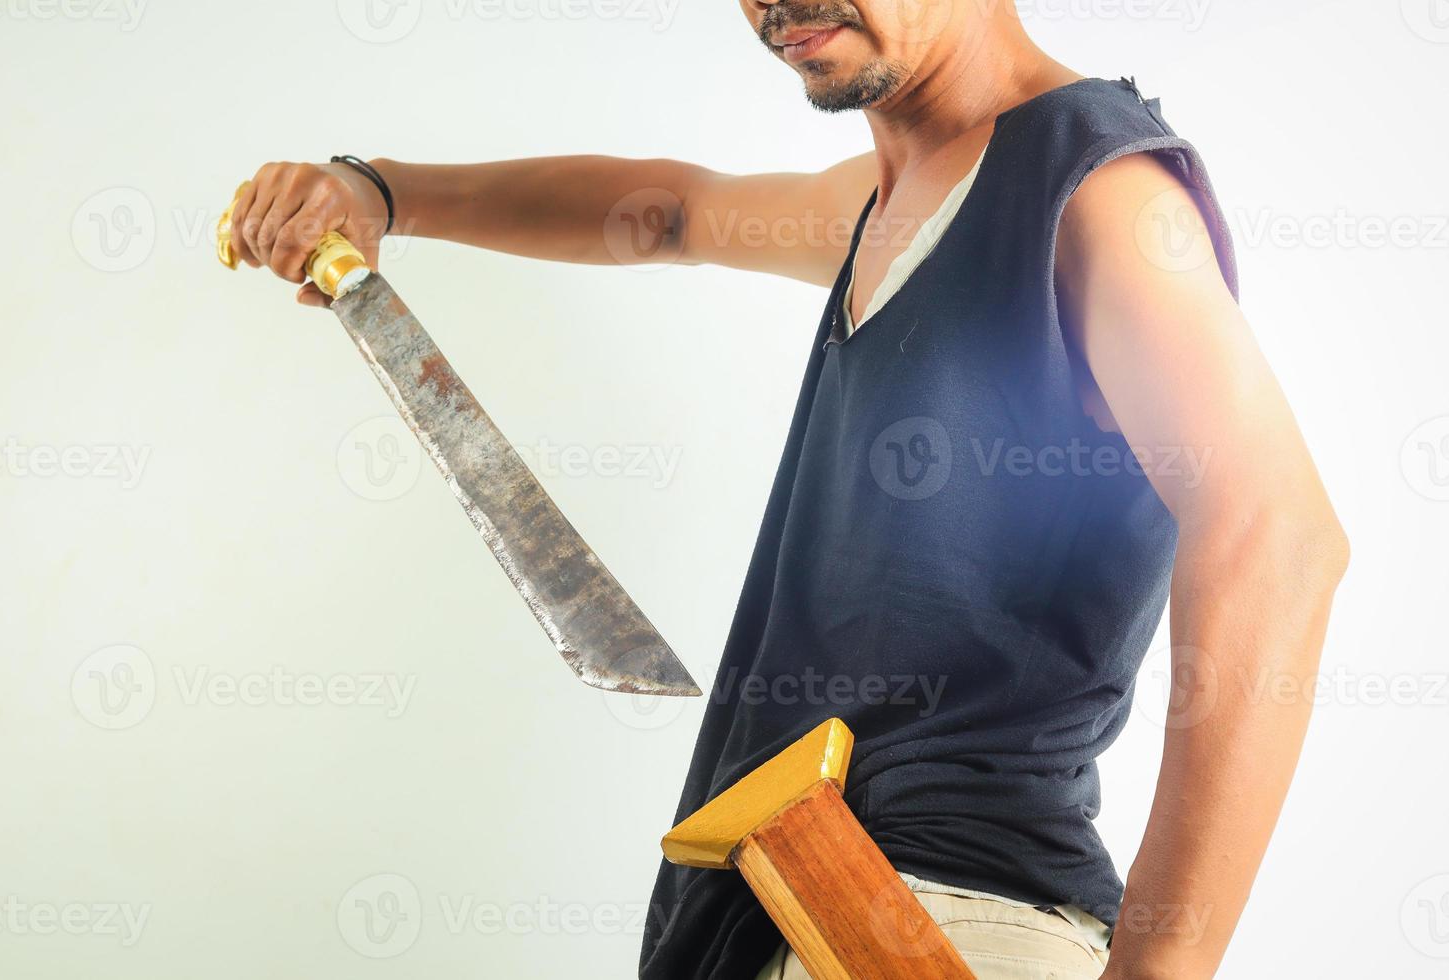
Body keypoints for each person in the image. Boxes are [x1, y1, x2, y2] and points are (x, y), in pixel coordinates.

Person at [227, 2, 1349, 976]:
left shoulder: (1096, 189)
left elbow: (1277, 530)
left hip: (958, 912)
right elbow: (670, 211)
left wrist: (1163, 961)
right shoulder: (890, 201)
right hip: (786, 898)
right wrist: (379, 191)